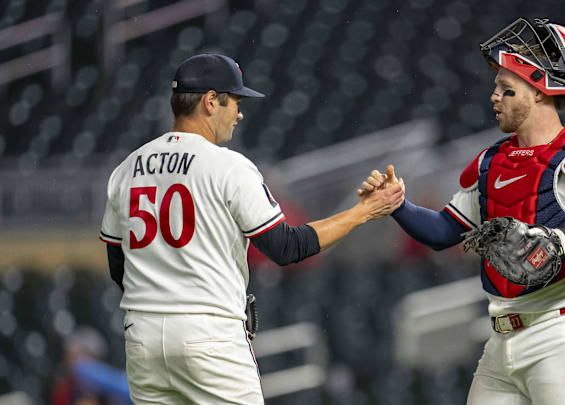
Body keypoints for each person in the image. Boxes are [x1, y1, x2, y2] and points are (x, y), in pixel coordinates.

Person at [98, 53, 403, 404]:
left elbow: (118, 267)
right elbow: (285, 248)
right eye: (235, 101)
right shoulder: (227, 166)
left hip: (143, 340)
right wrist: (363, 211)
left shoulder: (126, 169)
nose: (239, 113)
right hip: (208, 333)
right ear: (211, 101)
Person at [361, 18, 565, 405]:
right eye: (496, 87)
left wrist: (562, 239)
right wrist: (398, 206)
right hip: (500, 340)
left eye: (506, 88)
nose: (494, 96)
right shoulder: (490, 162)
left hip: (560, 332)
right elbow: (444, 231)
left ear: (539, 90)